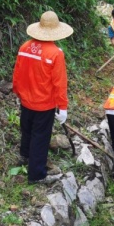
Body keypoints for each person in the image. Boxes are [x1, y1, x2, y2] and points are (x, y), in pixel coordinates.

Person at [13, 10, 73, 183]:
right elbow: (59, 83)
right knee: (40, 136)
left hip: (26, 100)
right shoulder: (55, 53)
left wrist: (18, 92)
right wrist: (62, 107)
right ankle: (37, 174)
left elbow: (17, 74)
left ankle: (25, 156)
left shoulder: (24, 47)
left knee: (27, 130)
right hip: (44, 104)